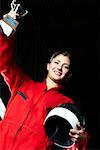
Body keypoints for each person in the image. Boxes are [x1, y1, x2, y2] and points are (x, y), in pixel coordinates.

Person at [0, 10, 88, 150]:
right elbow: (2, 61)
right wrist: (8, 24)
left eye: (65, 66)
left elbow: (73, 142)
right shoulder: (23, 83)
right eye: (57, 62)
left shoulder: (66, 104)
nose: (59, 67)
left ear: (69, 75)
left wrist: (82, 140)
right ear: (48, 66)